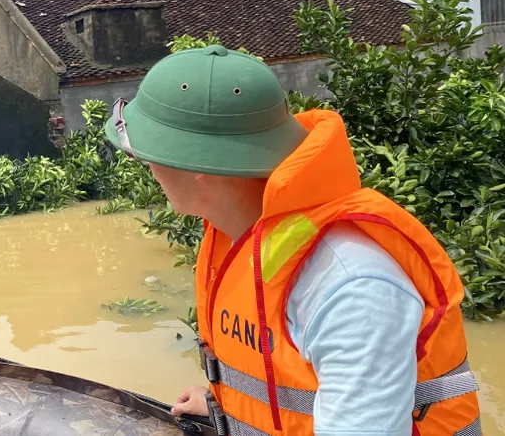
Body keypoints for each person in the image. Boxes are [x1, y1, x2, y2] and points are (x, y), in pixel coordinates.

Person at [105, 45, 481, 436]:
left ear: (197, 166)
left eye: (145, 153)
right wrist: (226, 409)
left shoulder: (350, 287)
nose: (147, 166)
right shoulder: (243, 235)